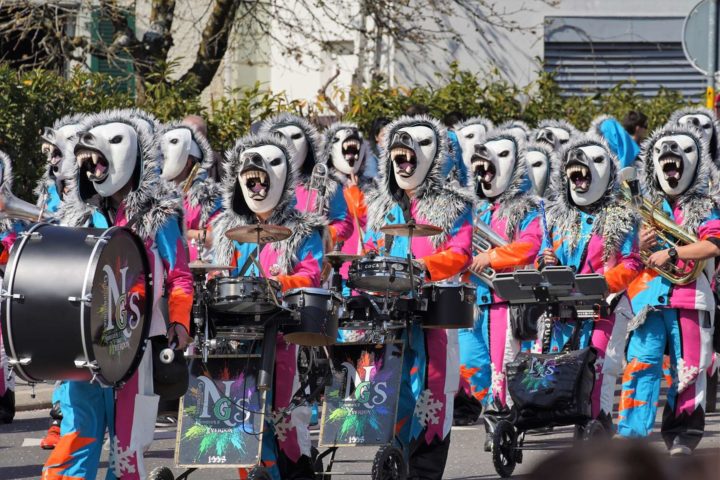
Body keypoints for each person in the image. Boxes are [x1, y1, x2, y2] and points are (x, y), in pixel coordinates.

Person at [43, 109, 193, 480]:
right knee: (79, 436)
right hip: (84, 345)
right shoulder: (76, 218)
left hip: (136, 346)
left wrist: (179, 321)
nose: (96, 168)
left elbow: (180, 277)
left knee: (129, 448)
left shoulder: (161, 214)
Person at [363, 114, 473, 479]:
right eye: (400, 152)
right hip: (388, 312)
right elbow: (366, 249)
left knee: (433, 390)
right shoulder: (379, 204)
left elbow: (460, 252)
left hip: (434, 311)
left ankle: (423, 468)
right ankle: (394, 458)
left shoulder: (453, 203)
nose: (407, 158)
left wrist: (421, 269)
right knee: (391, 390)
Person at [211, 133, 324, 479]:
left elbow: (312, 273)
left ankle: (295, 470)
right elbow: (224, 276)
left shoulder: (302, 229)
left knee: (285, 415)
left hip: (285, 335)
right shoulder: (227, 229)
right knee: (242, 414)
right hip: (239, 336)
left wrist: (281, 283)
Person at [618, 124, 720, 456]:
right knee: (640, 364)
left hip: (691, 298)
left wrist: (674, 252)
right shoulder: (645, 207)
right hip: (648, 300)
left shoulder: (705, 205)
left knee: (689, 368)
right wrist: (640, 244)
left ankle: (682, 436)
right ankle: (633, 437)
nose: (670, 162)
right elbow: (629, 257)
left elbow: (714, 244)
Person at [538, 133, 642, 432]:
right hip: (563, 307)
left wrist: (603, 284)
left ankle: (597, 422)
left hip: (605, 306)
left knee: (597, 366)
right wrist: (545, 262)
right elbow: (545, 253)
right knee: (560, 366)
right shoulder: (556, 215)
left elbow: (632, 262)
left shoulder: (622, 215)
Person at [452, 128, 542, 437]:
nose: (486, 172)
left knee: (504, 367)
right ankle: (495, 411)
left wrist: (492, 257)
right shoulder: (471, 208)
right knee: (469, 365)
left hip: (506, 300)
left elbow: (530, 246)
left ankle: (503, 425)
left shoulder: (527, 207)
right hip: (473, 299)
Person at [35, 113, 86, 448]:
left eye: (57, 151)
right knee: (61, 352)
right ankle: (60, 421)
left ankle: (71, 423)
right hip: (58, 273)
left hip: (84, 275)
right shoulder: (51, 186)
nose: (52, 158)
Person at [260, 114, 354, 250]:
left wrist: (323, 233)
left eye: (295, 137)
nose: (288, 145)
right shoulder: (261, 186)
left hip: (311, 258)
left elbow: (345, 224)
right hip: (269, 259)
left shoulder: (327, 184)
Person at [158, 122, 222, 263]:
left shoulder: (209, 196)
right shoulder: (156, 195)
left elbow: (215, 237)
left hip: (200, 271)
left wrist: (183, 231)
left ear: (188, 162)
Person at [0, 150, 29, 425]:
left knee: (2, 349)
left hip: (3, 282)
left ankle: (5, 400)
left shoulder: (12, 216)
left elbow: (19, 246)